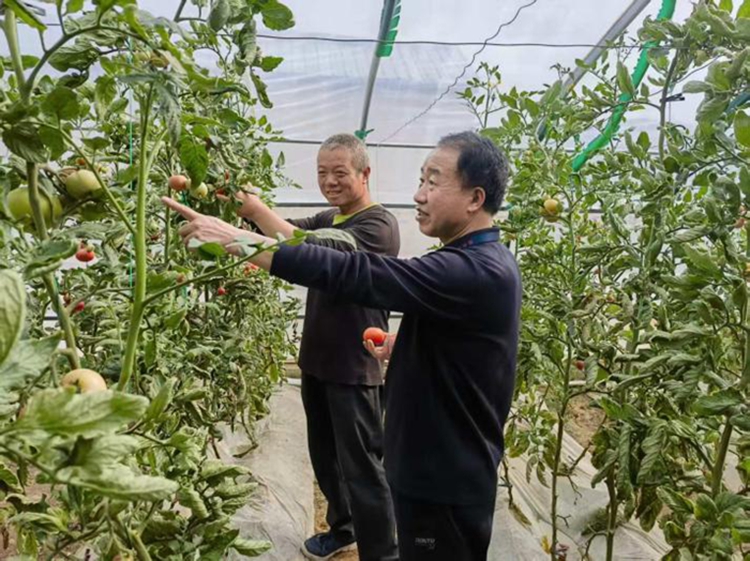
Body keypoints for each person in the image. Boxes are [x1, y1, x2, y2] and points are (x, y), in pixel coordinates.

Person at [163, 131, 521, 561]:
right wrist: (408, 344)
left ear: (475, 198)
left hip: (442, 481)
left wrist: (239, 240)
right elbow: (464, 341)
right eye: (420, 180)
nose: (418, 194)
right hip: (430, 468)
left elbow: (356, 271)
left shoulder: (474, 269)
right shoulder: (474, 260)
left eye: (433, 181)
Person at [222, 133, 400, 561]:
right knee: (326, 458)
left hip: (355, 365)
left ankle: (383, 552)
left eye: (340, 172)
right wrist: (234, 211)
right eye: (322, 173)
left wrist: (256, 210)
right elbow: (281, 231)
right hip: (318, 361)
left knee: (363, 467)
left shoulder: (378, 225)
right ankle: (344, 529)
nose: (329, 181)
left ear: (365, 173)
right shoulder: (330, 216)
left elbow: (312, 249)